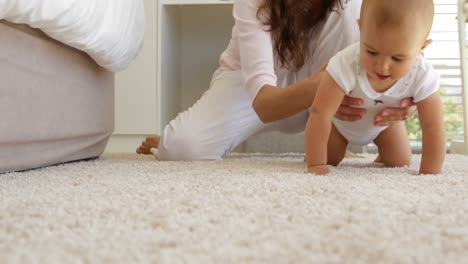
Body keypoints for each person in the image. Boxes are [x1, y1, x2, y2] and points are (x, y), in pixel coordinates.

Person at [136, 0, 416, 161]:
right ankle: (166, 140)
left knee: (397, 158)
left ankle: (340, 145)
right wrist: (328, 84)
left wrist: (404, 94)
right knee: (182, 148)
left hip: (327, 86)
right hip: (254, 88)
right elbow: (265, 104)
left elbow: (395, 44)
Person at [305, 0, 446, 175]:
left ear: (421, 48)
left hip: (384, 126)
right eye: (371, 52)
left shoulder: (423, 74)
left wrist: (429, 172)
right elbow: (320, 113)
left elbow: (433, 126)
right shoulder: (345, 64)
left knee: (400, 160)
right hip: (340, 126)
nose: (382, 66)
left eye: (397, 58)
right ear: (361, 29)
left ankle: (383, 154)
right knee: (329, 159)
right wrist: (316, 164)